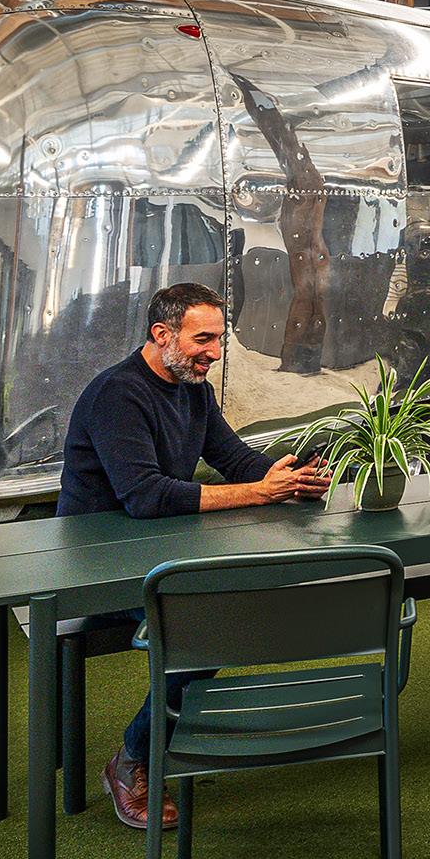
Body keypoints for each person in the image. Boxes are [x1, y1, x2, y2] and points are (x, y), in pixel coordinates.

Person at [60, 281, 329, 829]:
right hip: (97, 565)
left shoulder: (192, 389)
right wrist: (261, 493)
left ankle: (163, 735)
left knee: (231, 608)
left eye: (218, 339)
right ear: (161, 334)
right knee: (208, 624)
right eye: (202, 339)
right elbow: (146, 497)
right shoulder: (117, 395)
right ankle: (133, 758)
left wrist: (289, 476)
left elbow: (235, 459)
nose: (214, 352)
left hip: (160, 553)